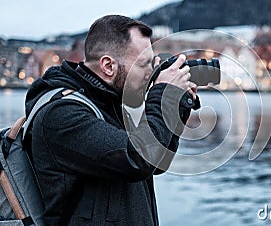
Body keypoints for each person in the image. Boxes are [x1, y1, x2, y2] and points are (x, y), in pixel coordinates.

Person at [25, 14, 199, 225]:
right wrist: (163, 96)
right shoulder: (62, 114)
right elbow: (138, 159)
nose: (151, 72)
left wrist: (177, 106)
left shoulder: (110, 103)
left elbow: (157, 161)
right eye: (144, 64)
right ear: (108, 66)